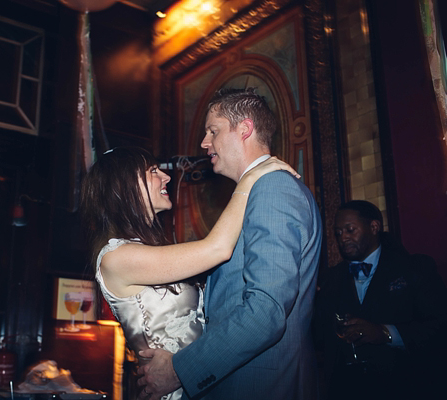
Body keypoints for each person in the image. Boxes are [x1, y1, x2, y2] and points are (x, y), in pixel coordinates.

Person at [137, 88, 323, 400]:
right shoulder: (255, 192)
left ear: (244, 128)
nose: (204, 143)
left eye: (213, 130)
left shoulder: (273, 188)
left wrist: (179, 370)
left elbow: (265, 312)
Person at [81, 146, 298, 400]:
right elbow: (217, 248)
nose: (166, 177)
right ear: (123, 186)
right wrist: (250, 178)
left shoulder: (142, 249)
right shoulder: (115, 257)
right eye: (153, 171)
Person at [315, 200, 447, 400]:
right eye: (338, 233)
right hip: (348, 391)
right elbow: (319, 336)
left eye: (350, 230)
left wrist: (386, 333)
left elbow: (439, 326)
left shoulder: (414, 268)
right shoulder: (329, 280)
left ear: (374, 227)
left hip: (406, 387)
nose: (343, 238)